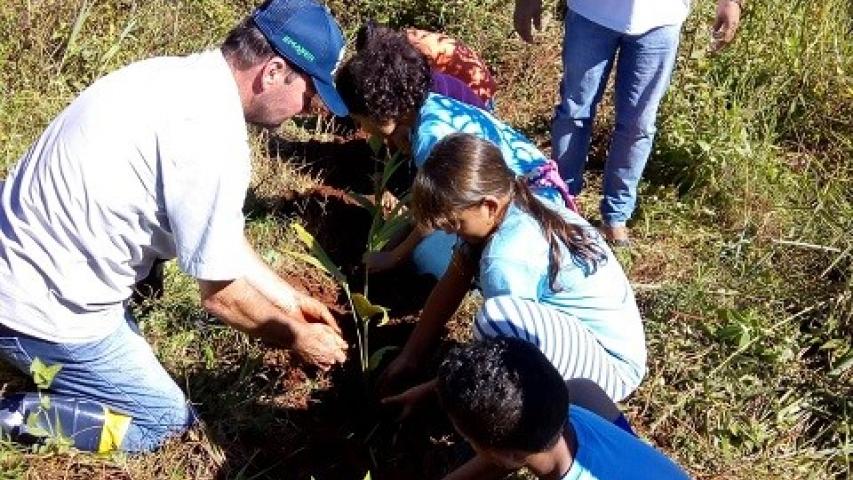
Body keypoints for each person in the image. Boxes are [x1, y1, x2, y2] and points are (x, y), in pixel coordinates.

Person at [0, 0, 349, 453]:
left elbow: (218, 236)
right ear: (273, 71)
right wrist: (296, 336)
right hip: (39, 308)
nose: (310, 106)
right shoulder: (211, 138)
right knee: (161, 424)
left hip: (21, 257)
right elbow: (220, 296)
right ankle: (15, 415)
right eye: (309, 90)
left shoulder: (178, 77)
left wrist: (290, 297)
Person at [378, 134, 645, 403]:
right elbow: (455, 277)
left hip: (608, 373)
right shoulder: (517, 202)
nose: (448, 231)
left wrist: (432, 392)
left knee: (493, 323)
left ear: (489, 206)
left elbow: (499, 355)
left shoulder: (505, 259)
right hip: (599, 344)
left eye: (455, 223)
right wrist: (411, 355)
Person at [336, 31, 575, 279]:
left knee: (427, 256)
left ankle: (483, 280)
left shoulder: (431, 137)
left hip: (530, 215)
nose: (361, 128)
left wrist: (393, 257)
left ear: (379, 110)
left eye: (359, 119)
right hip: (538, 196)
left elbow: (437, 211)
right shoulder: (434, 105)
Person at [513, 0, 742, 245]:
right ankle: (561, 204)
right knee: (573, 114)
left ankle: (615, 217)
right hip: (591, 12)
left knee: (638, 125)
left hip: (661, 18)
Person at [392, 337, 689, 480]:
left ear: (510, 455)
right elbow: (506, 456)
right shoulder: (572, 405)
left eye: (468, 439)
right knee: (585, 390)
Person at [355, 21, 491, 111]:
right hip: (477, 79)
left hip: (475, 91)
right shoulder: (405, 37)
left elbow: (420, 88)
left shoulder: (414, 51)